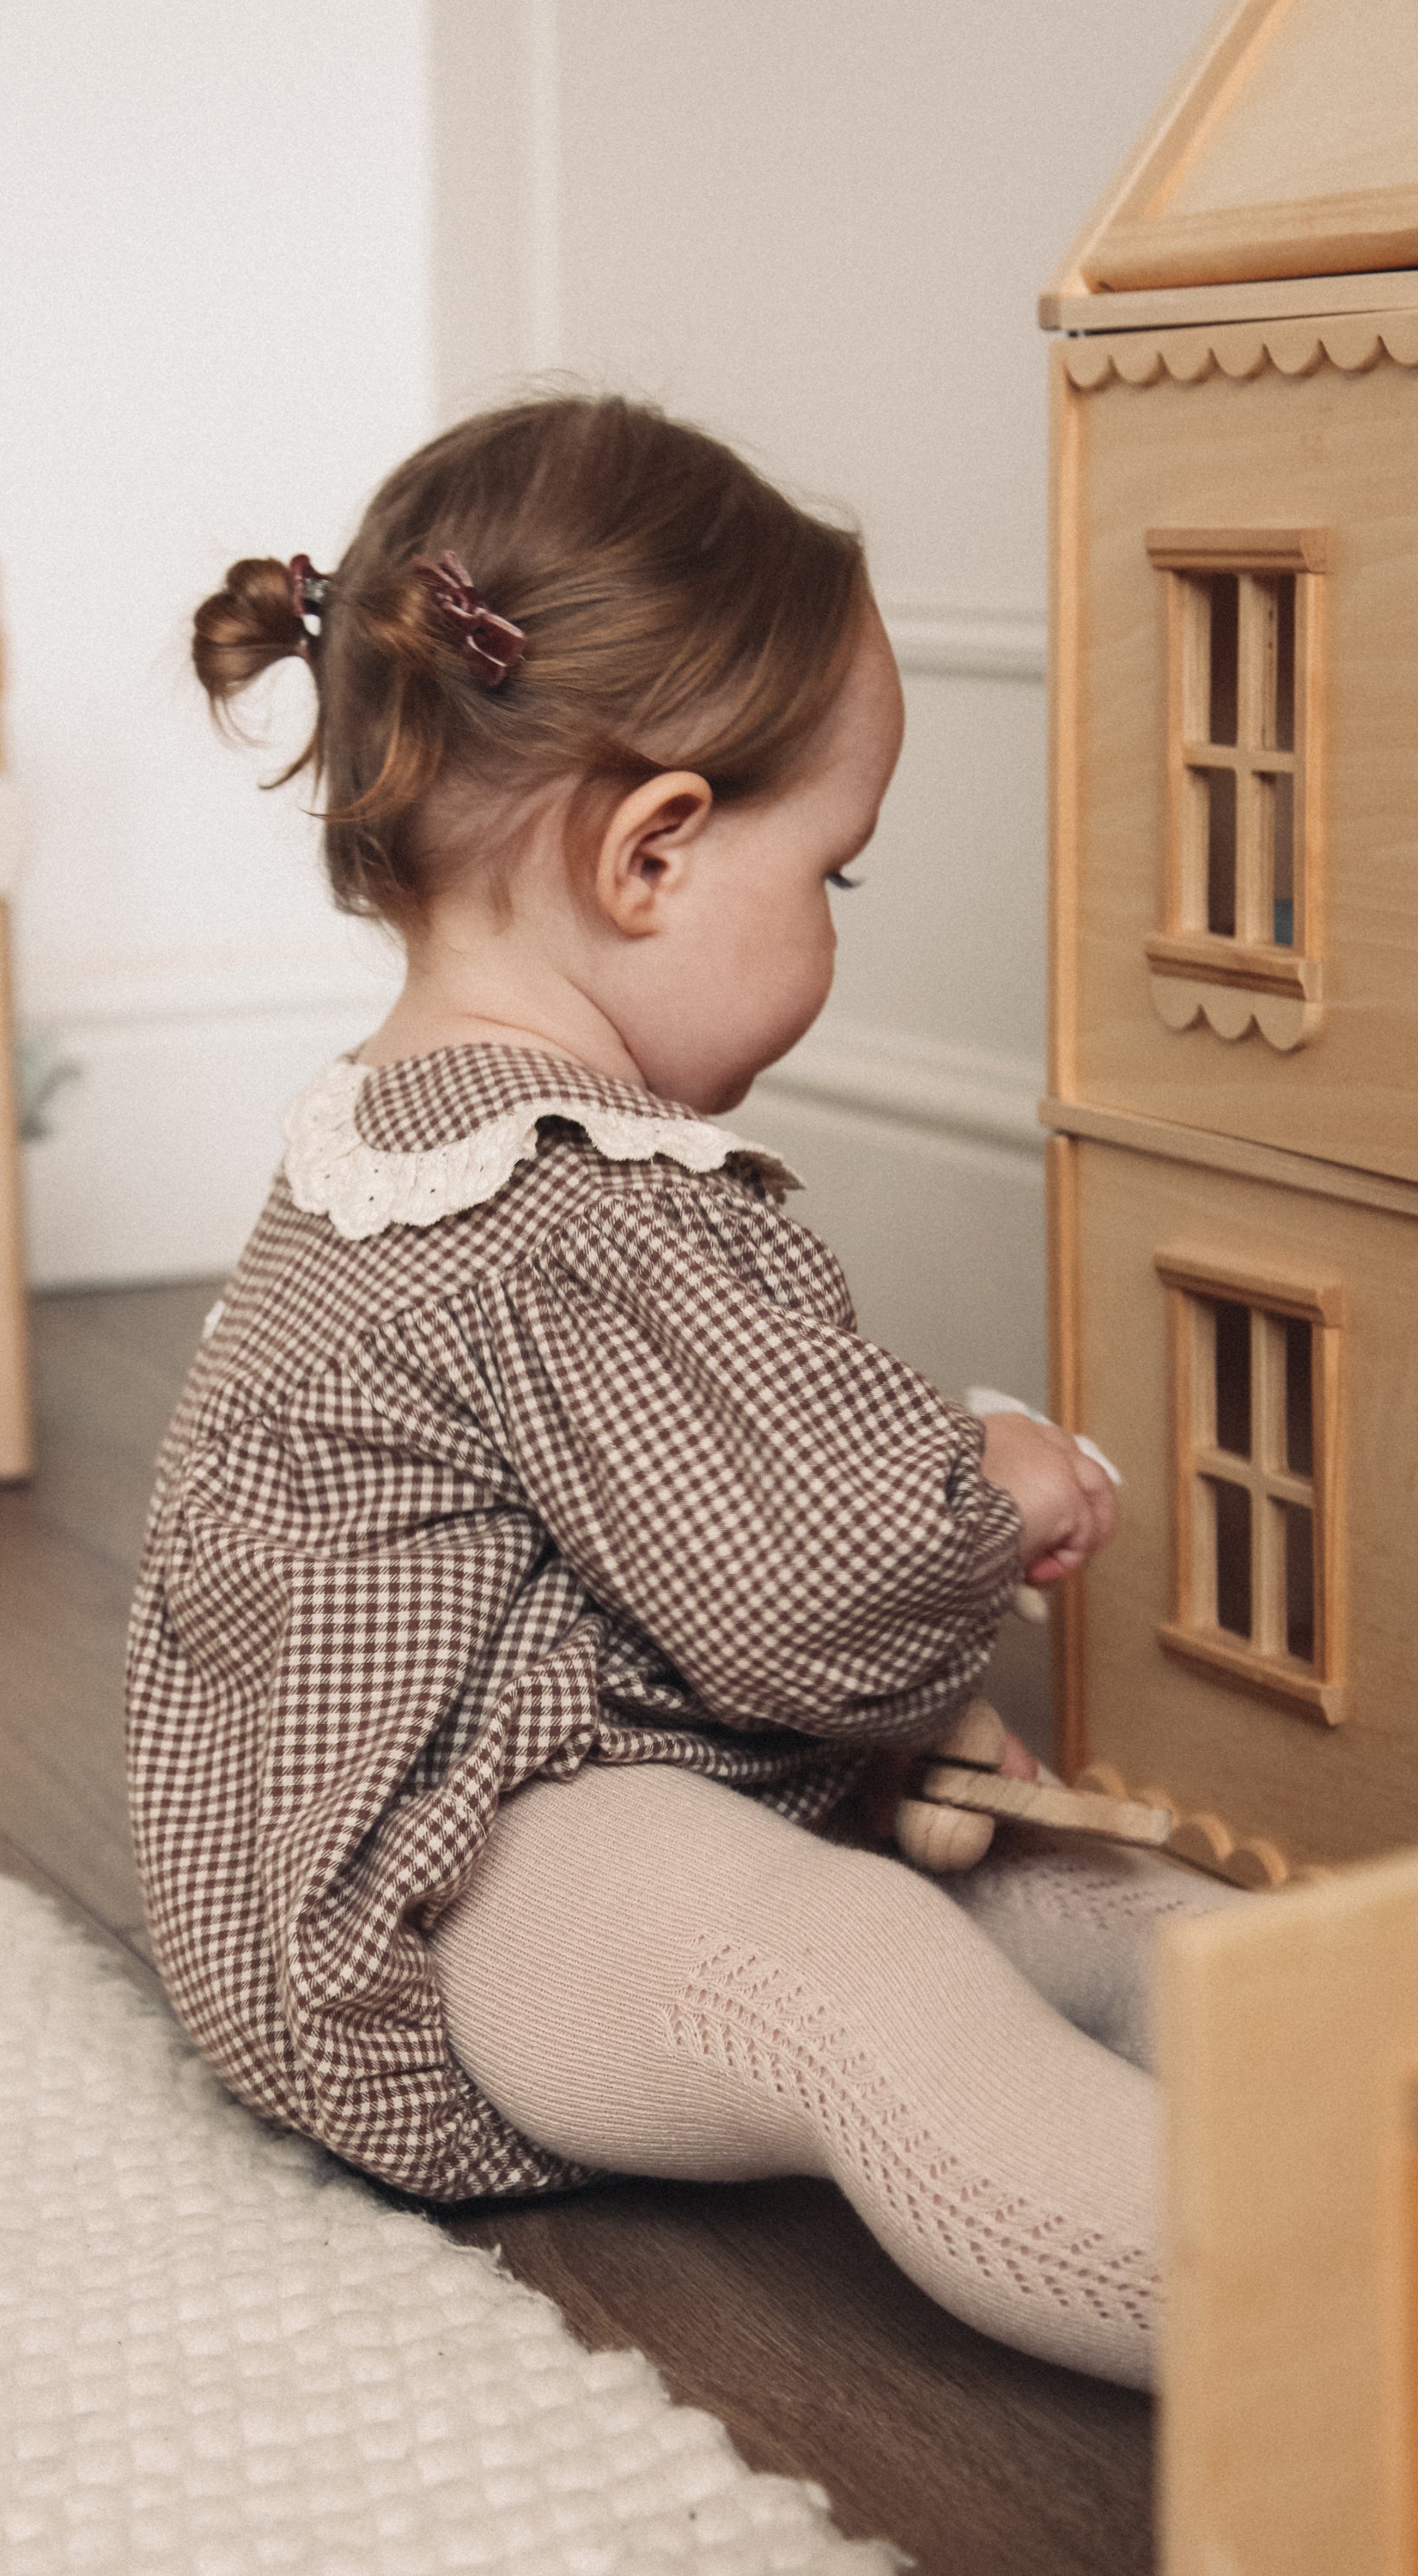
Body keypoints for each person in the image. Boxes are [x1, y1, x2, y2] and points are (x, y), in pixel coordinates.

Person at [126, 393, 1232, 2391]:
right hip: (456, 1907)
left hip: (505, 1804)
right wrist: (987, 1488)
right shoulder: (563, 1205)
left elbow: (631, 1559)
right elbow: (801, 1582)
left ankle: (1313, 2070)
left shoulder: (408, 1123)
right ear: (653, 852)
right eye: (836, 877)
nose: (831, 930)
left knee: (1073, 1888)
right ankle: (1308, 2307)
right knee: (866, 1979)